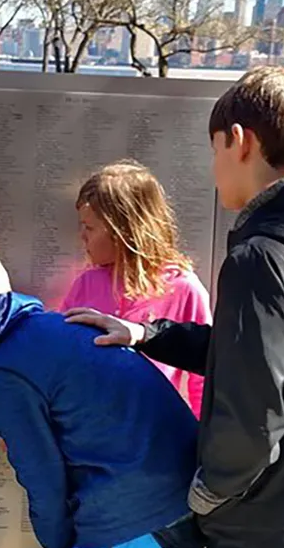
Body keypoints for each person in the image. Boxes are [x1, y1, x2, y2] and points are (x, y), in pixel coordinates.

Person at [66, 66, 284, 548]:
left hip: (261, 527)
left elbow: (253, 415)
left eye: (215, 151)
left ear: (240, 141)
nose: (213, 169)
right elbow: (242, 354)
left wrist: (208, 493)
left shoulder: (261, 258)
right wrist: (146, 334)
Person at [0, 244, 204, 548]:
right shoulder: (51, 328)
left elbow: (40, 470)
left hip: (136, 516)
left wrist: (56, 547)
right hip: (182, 494)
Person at [62, 159, 211, 417]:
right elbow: (59, 352)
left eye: (89, 227)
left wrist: (203, 445)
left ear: (124, 232)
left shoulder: (183, 288)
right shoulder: (86, 282)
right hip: (92, 434)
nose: (81, 236)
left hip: (153, 436)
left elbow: (204, 378)